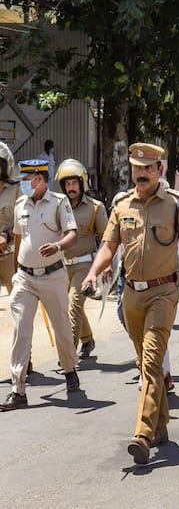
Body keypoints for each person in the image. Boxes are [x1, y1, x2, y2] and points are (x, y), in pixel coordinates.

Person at [81, 143, 179, 464]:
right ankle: (160, 423)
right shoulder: (121, 205)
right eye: (136, 168)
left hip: (164, 292)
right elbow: (107, 247)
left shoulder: (176, 206)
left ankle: (143, 433)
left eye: (147, 168)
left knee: (149, 361)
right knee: (150, 364)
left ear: (160, 170)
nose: (141, 174)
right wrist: (92, 274)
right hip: (131, 294)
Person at [1, 160, 80, 412]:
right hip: (25, 277)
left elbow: (72, 233)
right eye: (23, 177)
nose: (24, 182)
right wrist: (15, 273)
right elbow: (18, 237)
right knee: (21, 330)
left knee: (62, 329)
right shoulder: (20, 204)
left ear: (42, 179)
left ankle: (69, 370)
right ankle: (18, 389)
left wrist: (58, 246)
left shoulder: (58, 202)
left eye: (29, 177)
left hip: (53, 276)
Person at [56, 158, 108, 359]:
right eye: (67, 184)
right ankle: (87, 339)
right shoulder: (58, 206)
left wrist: (104, 269)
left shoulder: (96, 208)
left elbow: (107, 240)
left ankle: (67, 355)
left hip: (85, 265)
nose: (71, 188)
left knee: (74, 304)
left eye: (74, 183)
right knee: (67, 307)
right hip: (60, 266)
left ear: (82, 183)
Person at [0, 144, 20, 295]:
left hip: (10, 255)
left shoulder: (17, 190)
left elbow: (24, 222)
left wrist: (5, 235)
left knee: (18, 303)